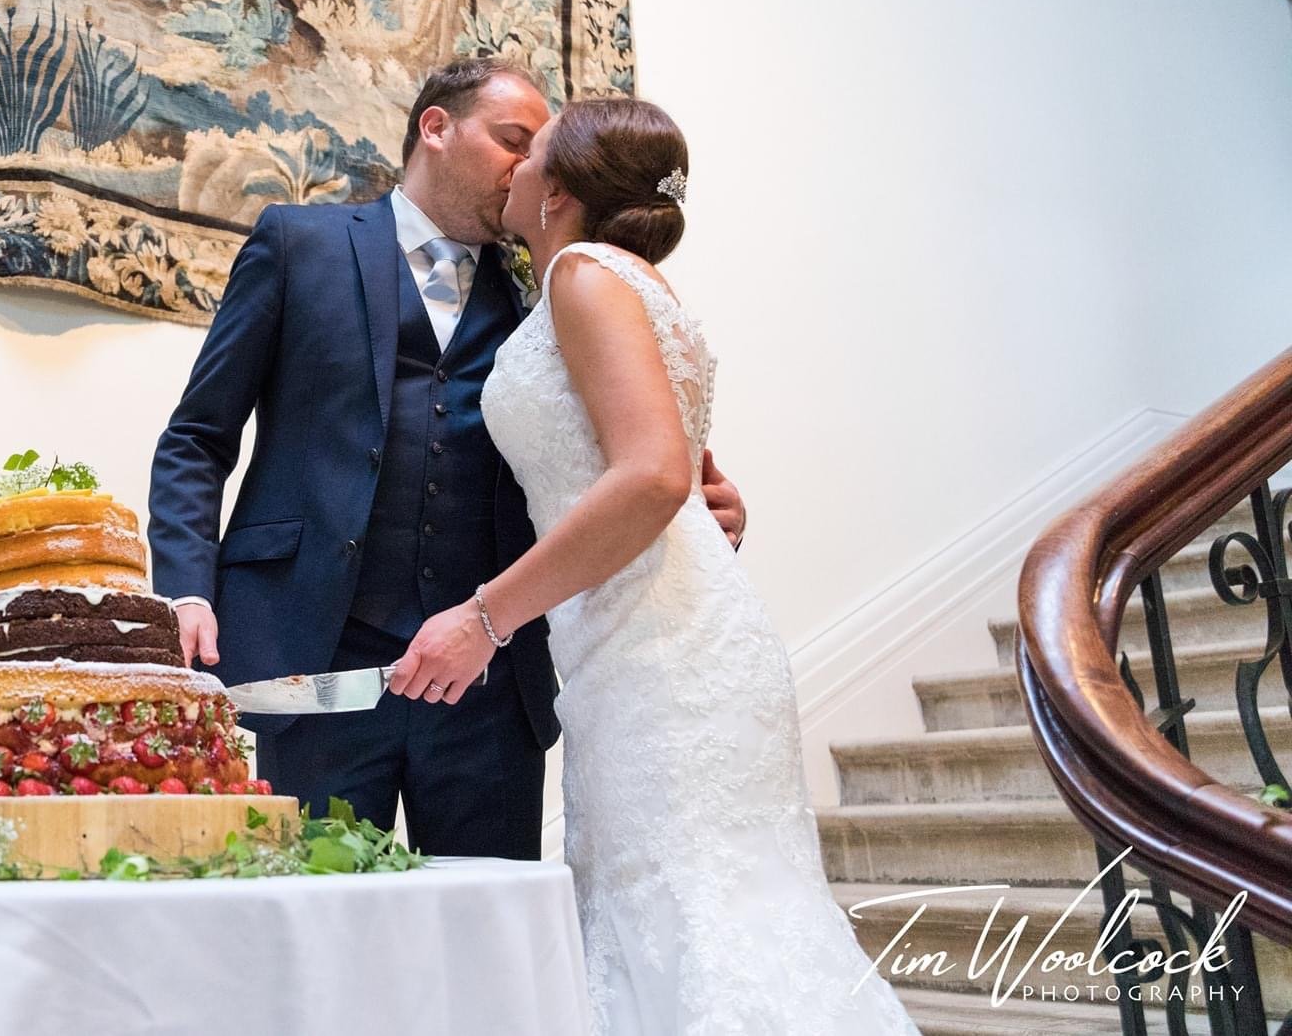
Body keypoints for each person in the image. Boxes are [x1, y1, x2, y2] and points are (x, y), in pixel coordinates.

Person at [385, 97, 919, 1032]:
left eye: (531, 148)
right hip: (637, 644)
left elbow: (654, 475)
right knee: (675, 920)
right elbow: (663, 468)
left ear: (556, 190)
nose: (512, 166)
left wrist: (485, 616)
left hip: (664, 655)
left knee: (700, 926)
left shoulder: (588, 276)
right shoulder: (626, 285)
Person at [146, 60, 746, 858]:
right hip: (313, 659)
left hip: (489, 686)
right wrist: (186, 587)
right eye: (513, 140)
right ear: (436, 127)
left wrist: (701, 517)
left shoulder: (552, 288)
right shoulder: (297, 243)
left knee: (485, 941)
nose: (534, 165)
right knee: (312, 931)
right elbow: (198, 435)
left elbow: (623, 450)